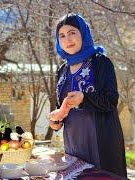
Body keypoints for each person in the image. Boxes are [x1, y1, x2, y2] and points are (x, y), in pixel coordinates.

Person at [49, 13, 127, 177]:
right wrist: (56, 121)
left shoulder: (101, 62)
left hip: (100, 143)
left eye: (72, 33)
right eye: (62, 36)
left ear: (83, 33)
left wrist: (84, 98)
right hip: (74, 146)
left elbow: (111, 101)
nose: (67, 39)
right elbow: (62, 106)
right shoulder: (62, 70)